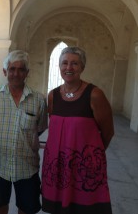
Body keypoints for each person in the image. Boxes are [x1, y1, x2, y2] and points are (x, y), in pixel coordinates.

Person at [41, 46, 114, 214]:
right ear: (59, 67)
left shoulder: (95, 94)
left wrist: (91, 158)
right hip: (57, 166)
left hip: (83, 168)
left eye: (74, 63)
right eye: (64, 63)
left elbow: (108, 132)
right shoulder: (53, 96)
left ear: (82, 67)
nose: (69, 68)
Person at [0, 50, 48, 214]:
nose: (16, 73)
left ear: (27, 72)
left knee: (26, 208)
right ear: (5, 71)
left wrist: (24, 138)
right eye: (12, 69)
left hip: (27, 167)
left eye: (21, 69)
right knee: (0, 206)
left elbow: (40, 128)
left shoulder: (38, 100)